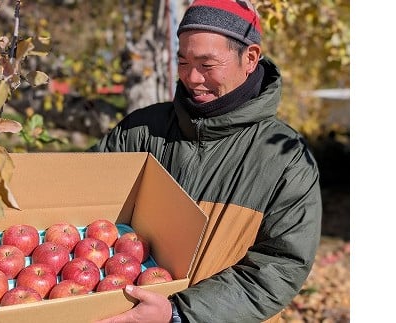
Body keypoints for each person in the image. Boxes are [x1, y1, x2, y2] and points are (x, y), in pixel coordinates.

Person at [90, 0, 322, 322]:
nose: (192, 78)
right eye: (183, 62)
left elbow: (281, 265)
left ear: (250, 58)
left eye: (207, 64)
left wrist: (178, 313)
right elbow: (82, 208)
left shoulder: (284, 156)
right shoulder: (140, 130)